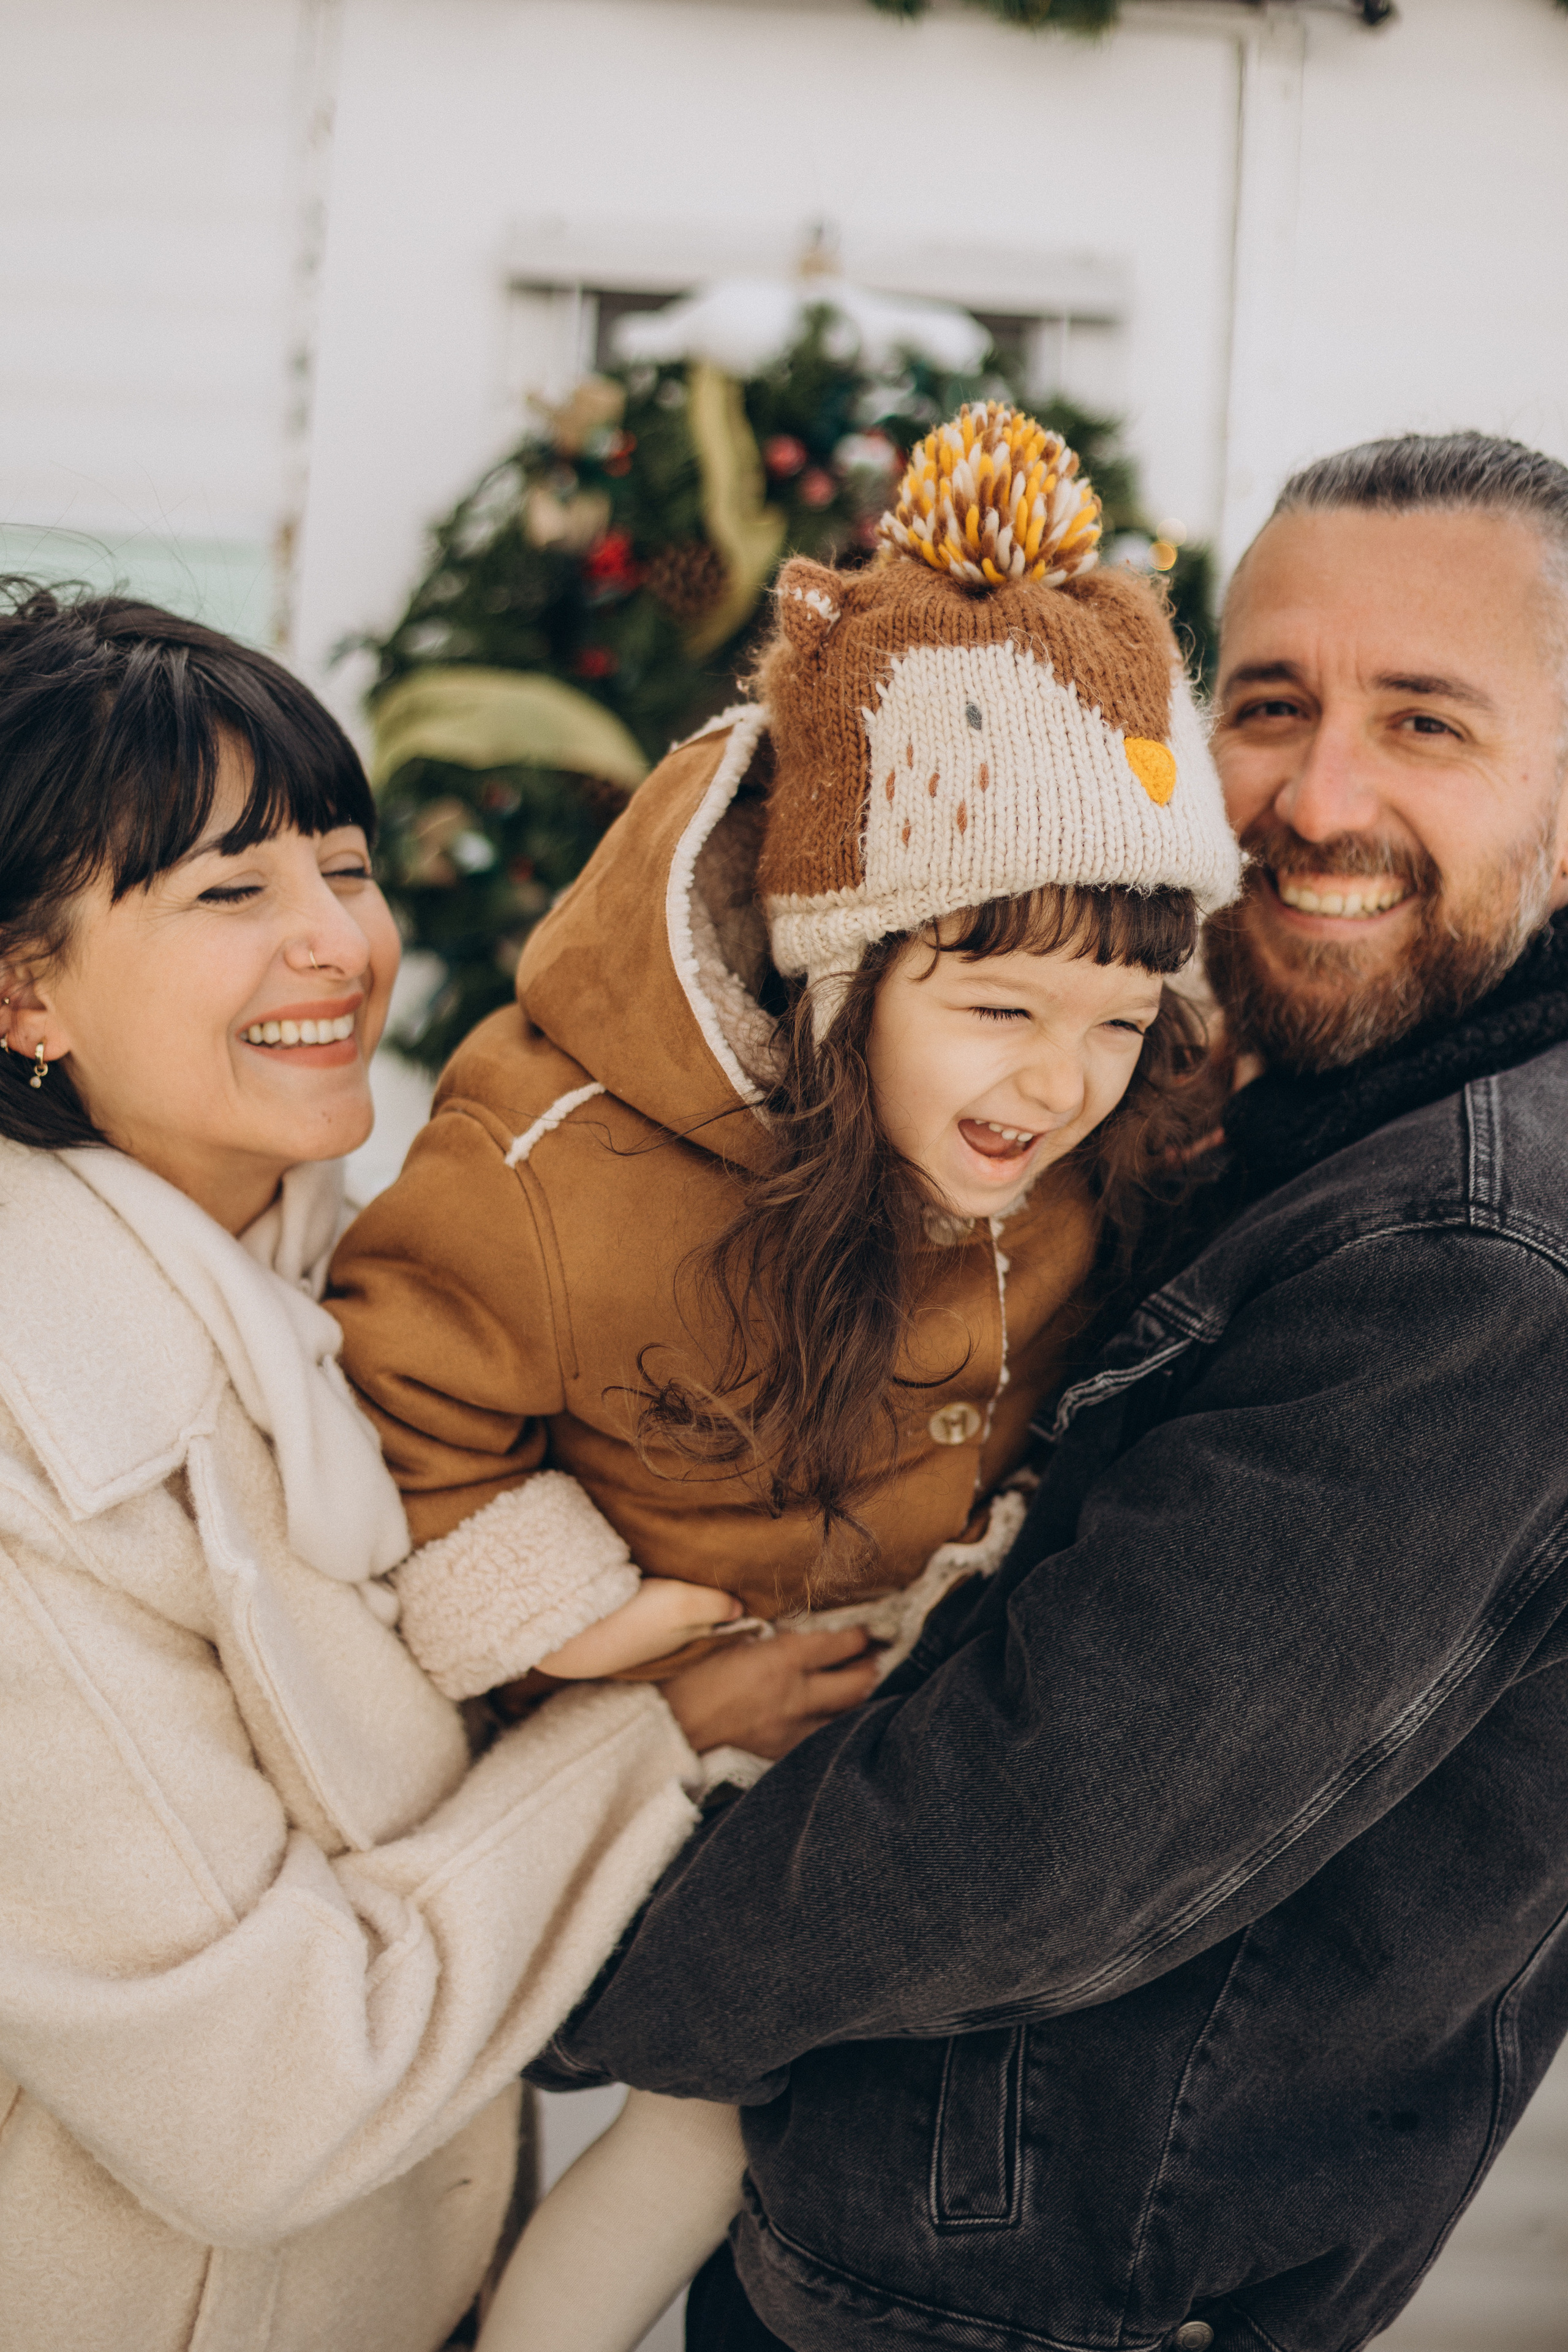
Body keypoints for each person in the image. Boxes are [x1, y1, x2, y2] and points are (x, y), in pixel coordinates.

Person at [520, 431, 1568, 2352]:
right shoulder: (1295, 1098)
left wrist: (538, 1964)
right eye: (1268, 705)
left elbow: (1036, 1833)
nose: (1313, 798)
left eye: (1427, 723)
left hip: (1010, 2294)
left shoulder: (1480, 1255)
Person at [327, 401, 1243, 2351]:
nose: (1052, 1083)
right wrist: (621, 1630)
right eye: (993, 1007)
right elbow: (397, 1410)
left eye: (1110, 1018)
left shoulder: (1088, 1139)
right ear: (842, 974)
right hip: (660, 1741)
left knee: (775, 2146)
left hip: (900, 1725)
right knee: (665, 2149)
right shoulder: (566, 1169)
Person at [0, 583, 809, 2352]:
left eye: (345, 869)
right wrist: (667, 1735)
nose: (337, 944)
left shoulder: (368, 1296)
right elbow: (261, 2093)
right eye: (231, 890)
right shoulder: (37, 1452)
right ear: (25, 991)